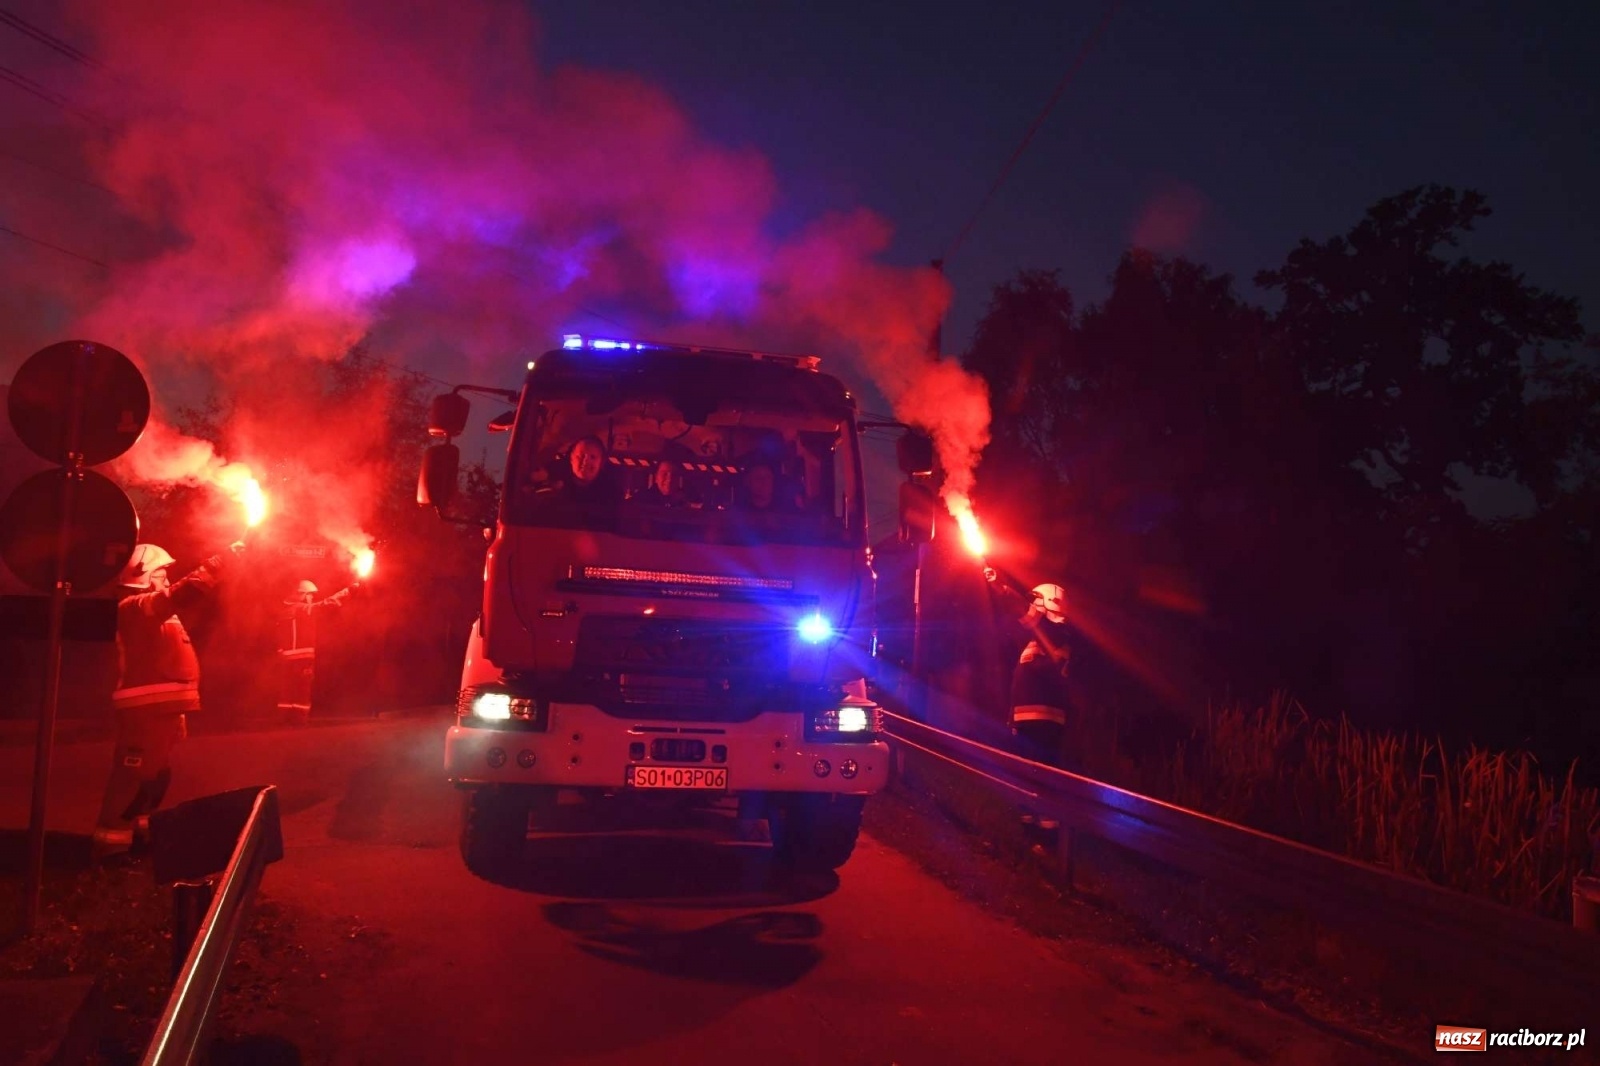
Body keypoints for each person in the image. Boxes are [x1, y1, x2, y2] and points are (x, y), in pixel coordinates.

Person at [94, 540, 244, 860]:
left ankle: (139, 837)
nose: (166, 578)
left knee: (156, 778)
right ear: (142, 576)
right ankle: (111, 850)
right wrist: (221, 562)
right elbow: (182, 593)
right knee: (134, 778)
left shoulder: (153, 609)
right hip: (144, 711)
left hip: (163, 709)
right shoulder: (134, 607)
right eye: (160, 573)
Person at [276, 578, 360, 724]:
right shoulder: (303, 609)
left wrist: (281, 651)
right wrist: (348, 591)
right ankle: (299, 719)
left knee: (287, 688)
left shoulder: (284, 612)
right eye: (310, 595)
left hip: (287, 658)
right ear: (302, 595)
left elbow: (278, 635)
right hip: (303, 657)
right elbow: (326, 604)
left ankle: (285, 718)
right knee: (302, 688)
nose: (312, 598)